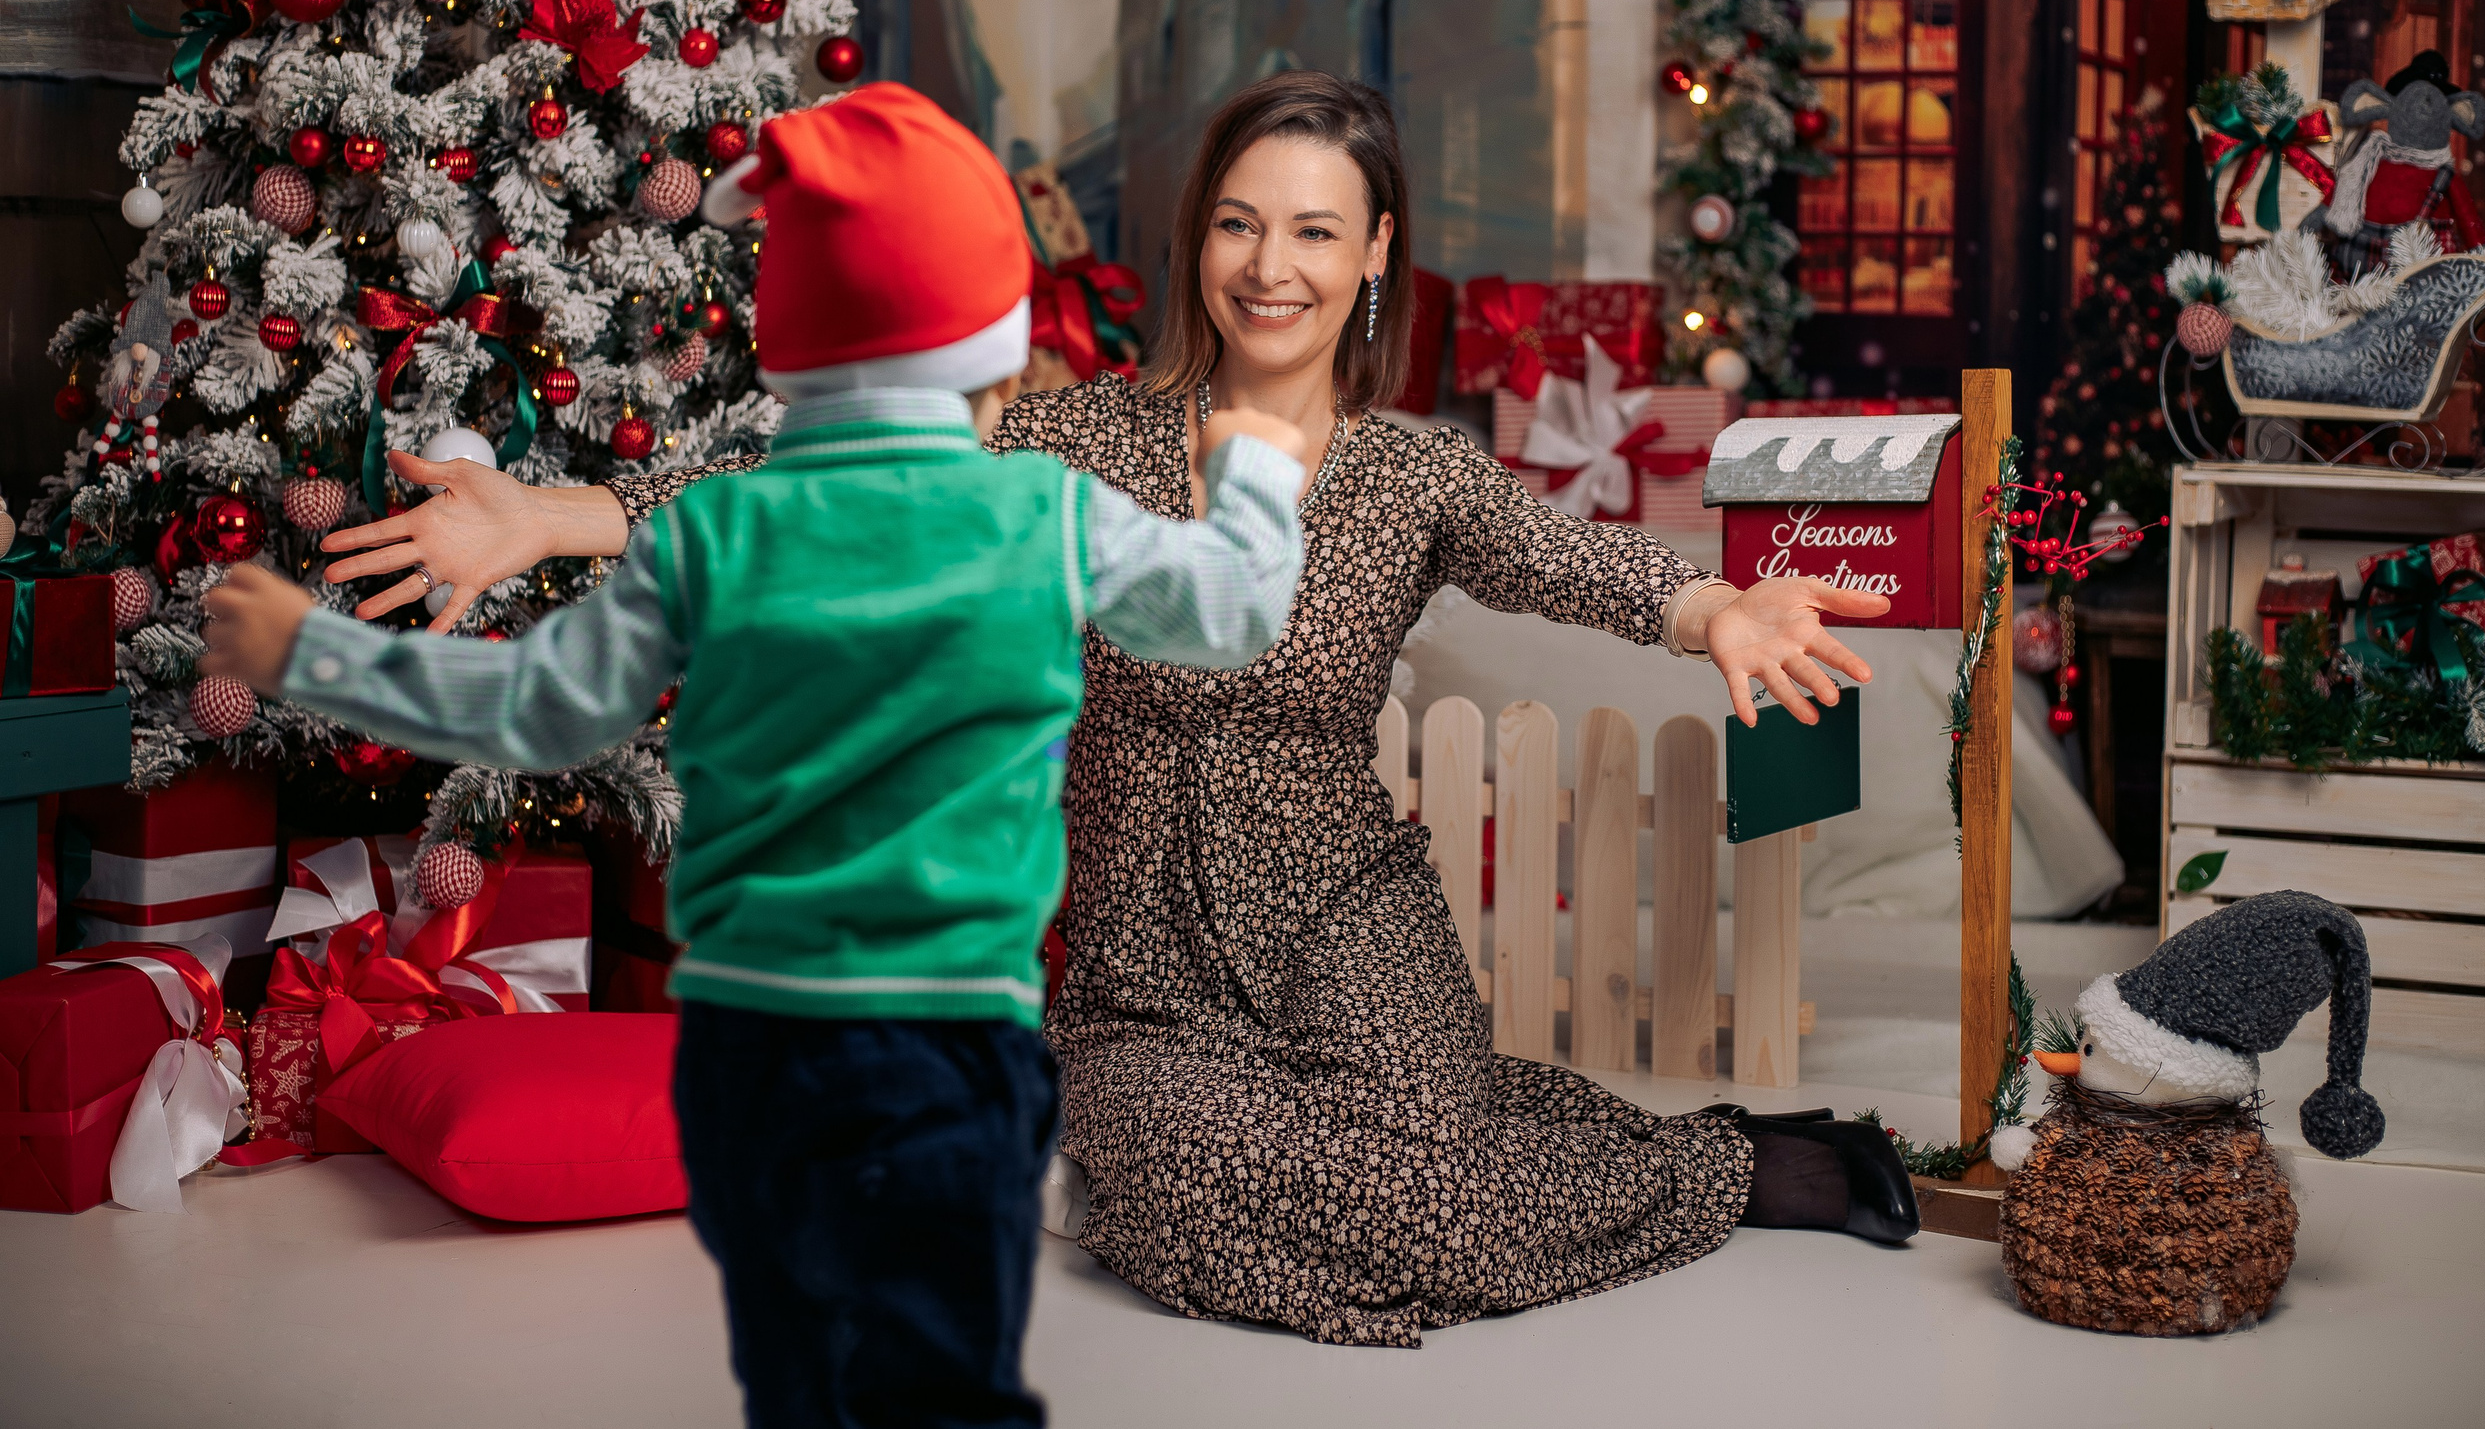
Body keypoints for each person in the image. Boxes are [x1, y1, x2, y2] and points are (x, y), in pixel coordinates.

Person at [313, 71, 1917, 1350]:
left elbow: (1579, 566)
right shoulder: (1087, 443)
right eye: (1236, 225)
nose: (1268, 268)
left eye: (1311, 232)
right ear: (1198, 241)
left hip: (1351, 918)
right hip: (1144, 971)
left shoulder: (1417, 469)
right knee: (1174, 1189)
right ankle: (1713, 1164)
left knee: (1429, 1167)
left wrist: (1719, 610)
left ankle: (1702, 1161)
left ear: (1374, 254)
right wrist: (554, 517)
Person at [201, 83, 1311, 1424]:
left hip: (743, 1052)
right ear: (996, 354)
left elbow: (540, 715)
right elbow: (1236, 611)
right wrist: (1253, 469)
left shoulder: (709, 535)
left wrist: (311, 654)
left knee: (800, 1378)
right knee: (939, 1379)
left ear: (790, 345)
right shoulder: (1046, 516)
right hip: (945, 1039)